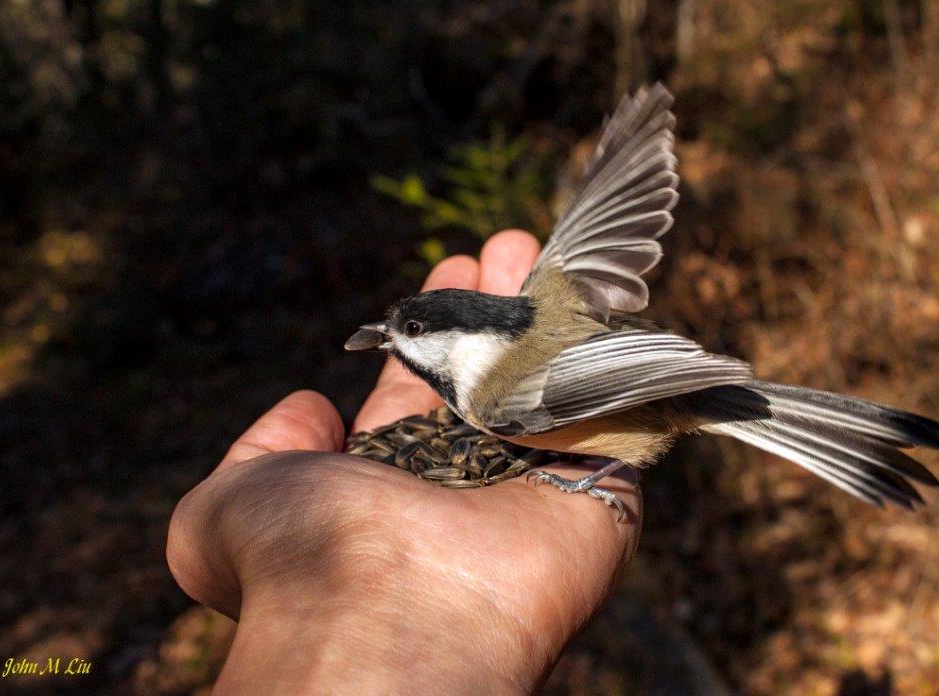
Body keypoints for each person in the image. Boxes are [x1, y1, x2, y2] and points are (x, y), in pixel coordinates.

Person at [166, 230, 642, 693]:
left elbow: (621, 375)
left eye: (411, 331)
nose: (391, 339)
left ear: (464, 339)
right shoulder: (481, 387)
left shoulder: (490, 394)